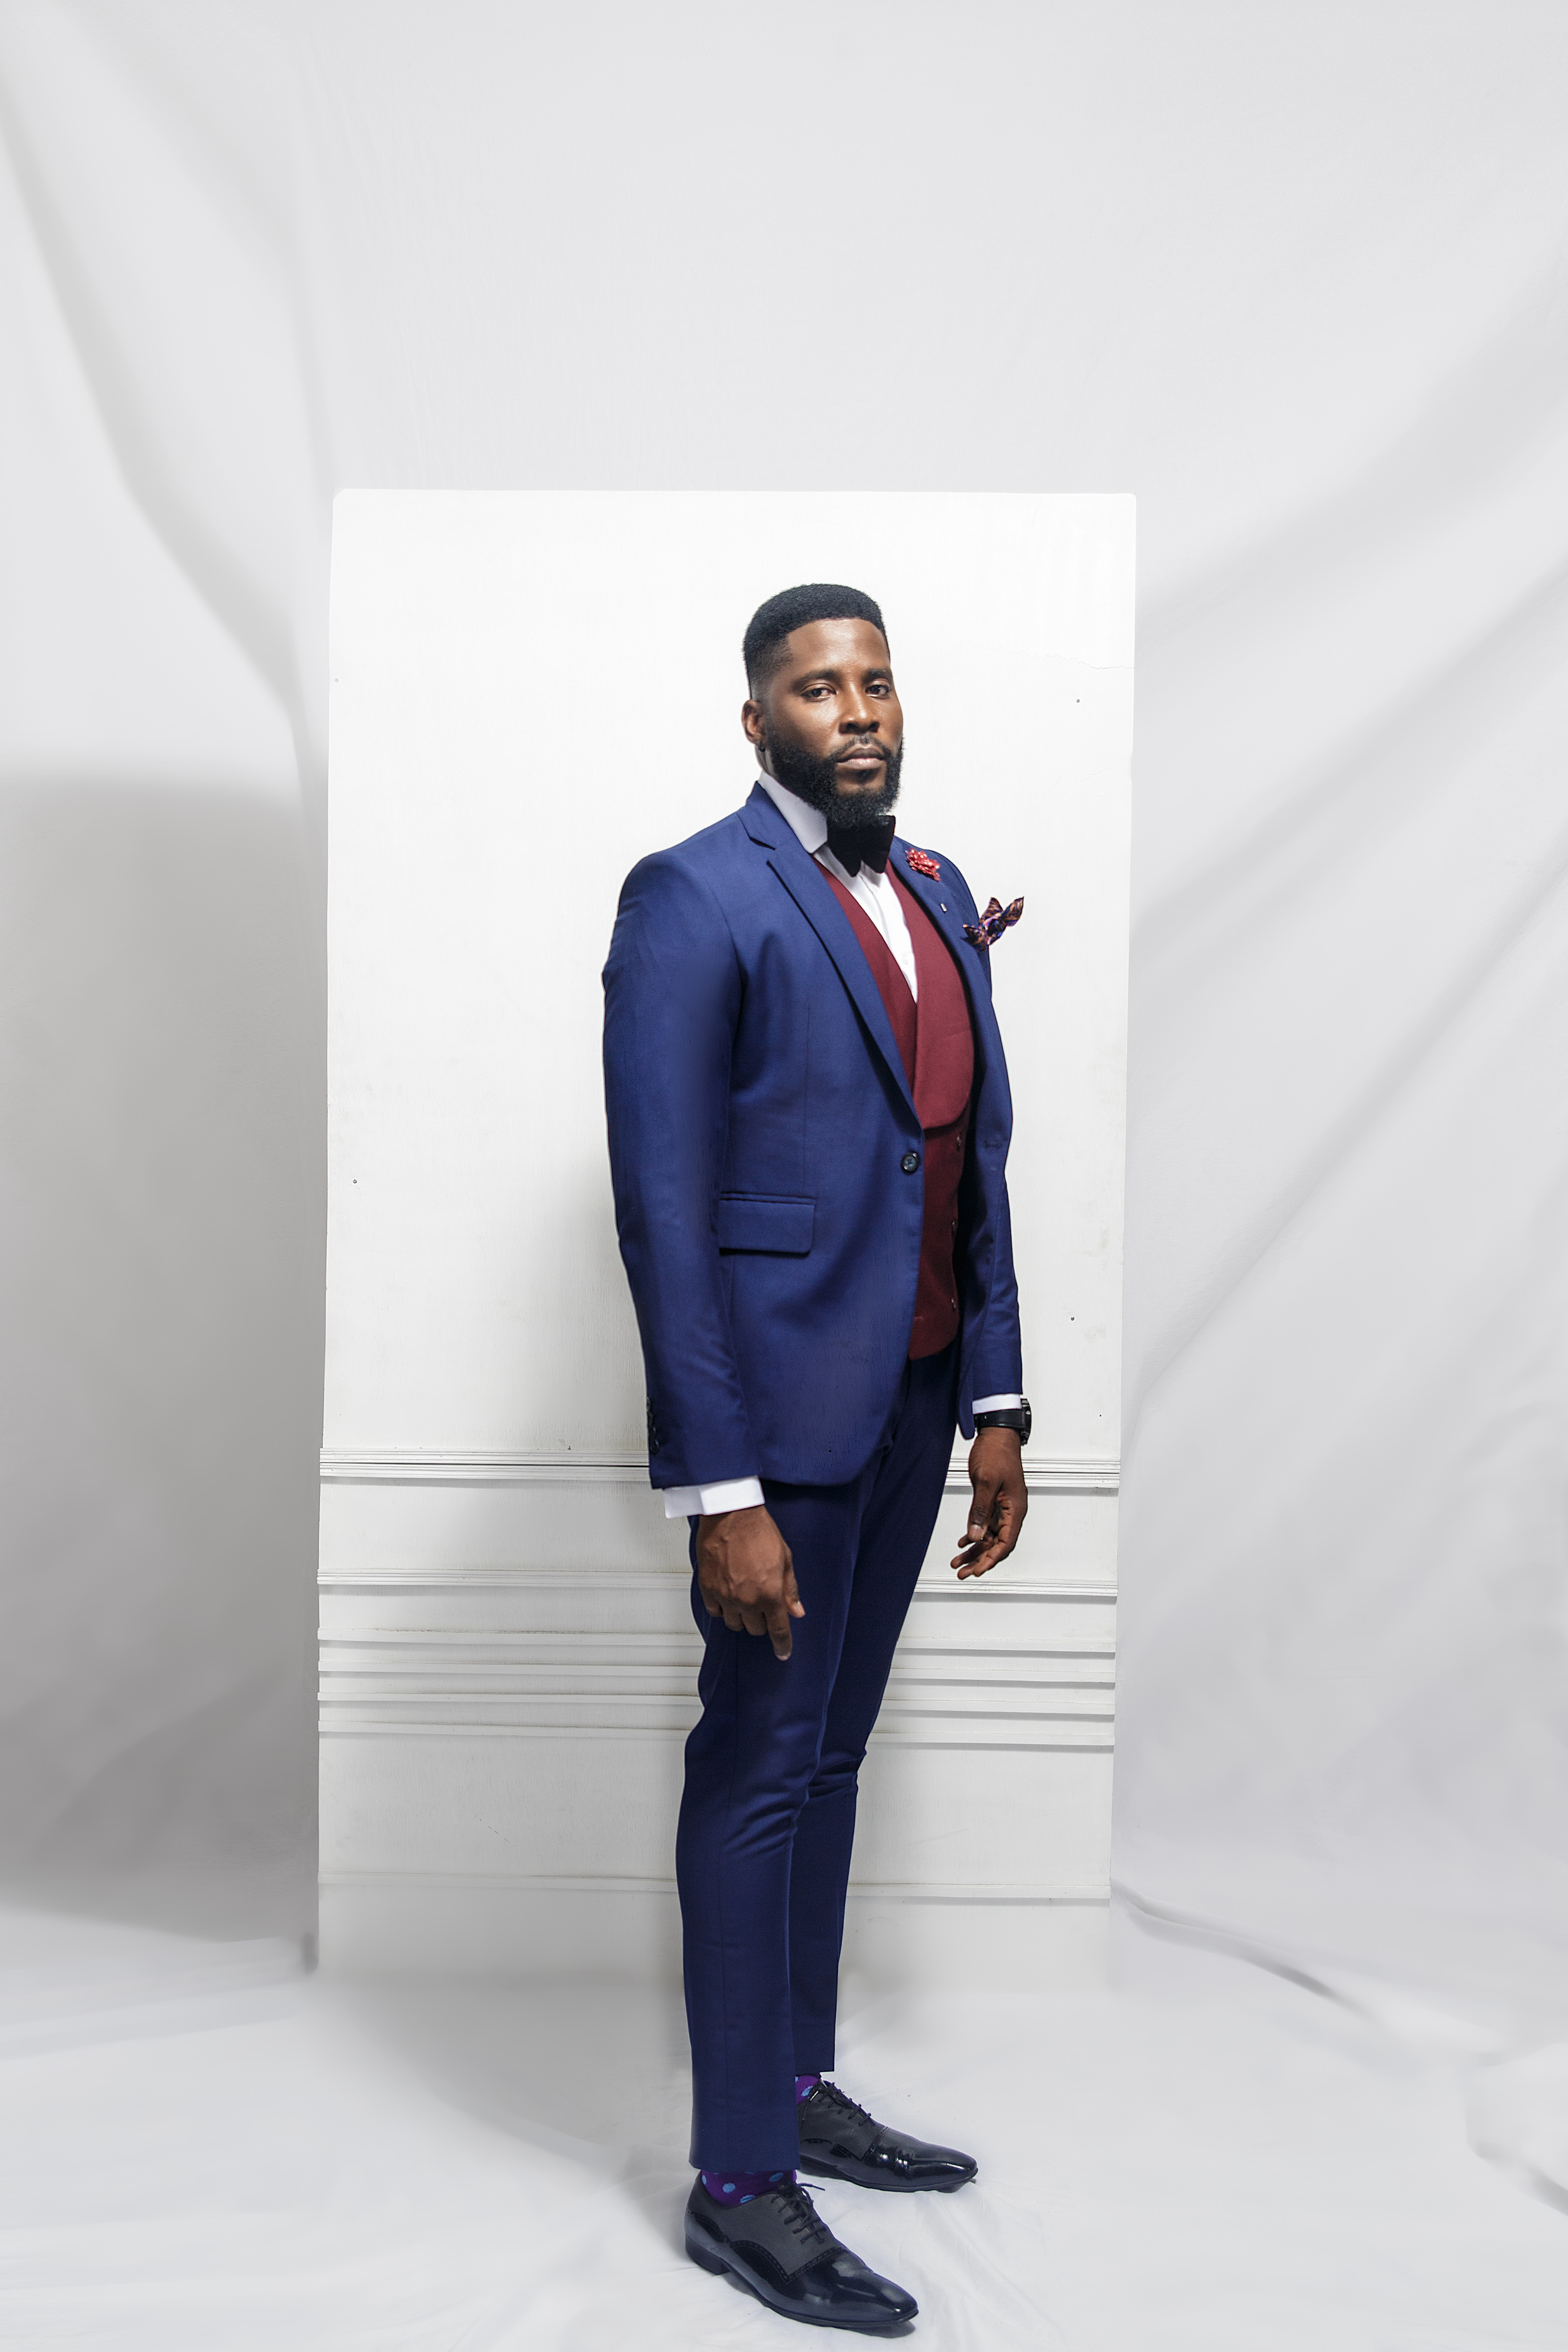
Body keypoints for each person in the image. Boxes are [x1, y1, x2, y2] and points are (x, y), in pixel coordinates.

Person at [602, 582, 1029, 2333]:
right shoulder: (692, 895)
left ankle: (793, 2086)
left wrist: (996, 1404)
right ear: (757, 720)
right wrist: (722, 1492)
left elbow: (972, 1159)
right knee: (760, 1768)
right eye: (815, 687)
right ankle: (734, 2184)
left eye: (876, 681)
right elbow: (665, 1210)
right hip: (779, 1432)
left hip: (918, 1400)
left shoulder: (932, 887)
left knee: (833, 1759)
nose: (855, 709)